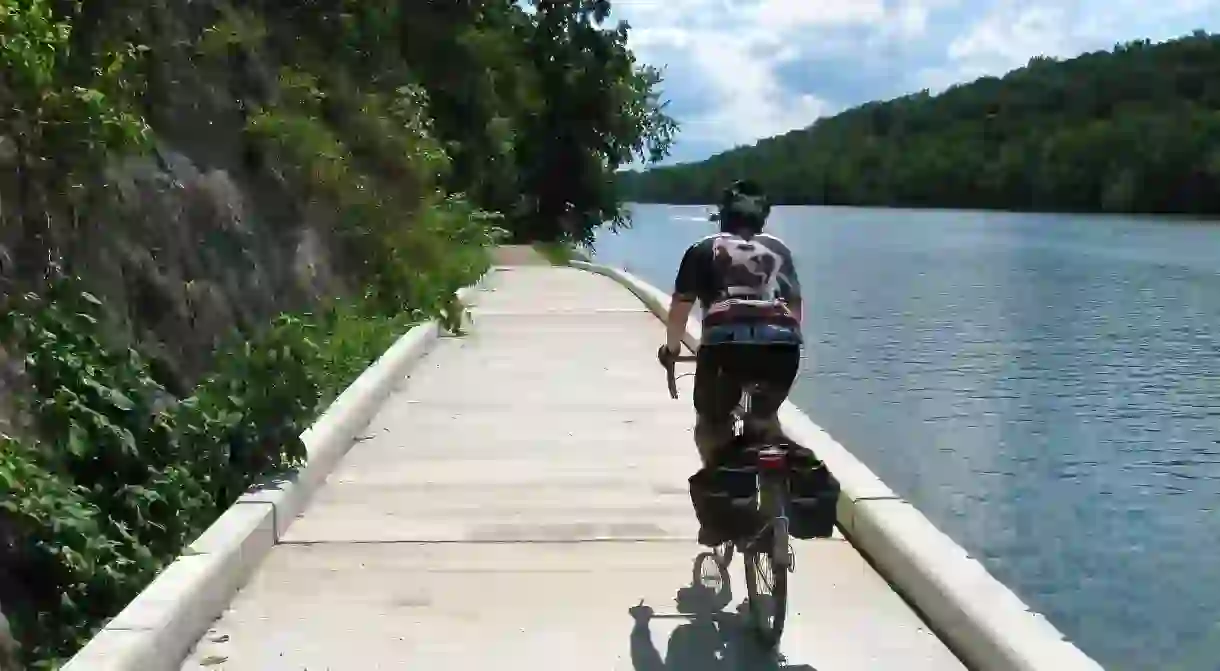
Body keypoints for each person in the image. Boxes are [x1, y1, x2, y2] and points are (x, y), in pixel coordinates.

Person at [657, 179, 804, 470]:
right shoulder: (780, 250)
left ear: (723, 216)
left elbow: (680, 309)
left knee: (712, 424)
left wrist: (671, 350)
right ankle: (775, 482)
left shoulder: (702, 249)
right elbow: (795, 306)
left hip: (725, 347)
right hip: (782, 346)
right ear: (762, 217)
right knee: (764, 418)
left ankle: (720, 489)